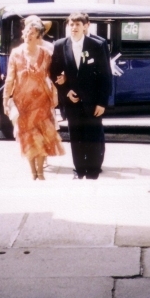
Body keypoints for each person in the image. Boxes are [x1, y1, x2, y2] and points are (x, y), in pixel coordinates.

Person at [50, 12, 111, 180]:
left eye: (78, 24)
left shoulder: (97, 45)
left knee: (93, 135)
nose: (74, 28)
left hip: (93, 101)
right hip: (71, 100)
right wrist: (66, 91)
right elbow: (53, 72)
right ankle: (79, 170)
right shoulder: (60, 45)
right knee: (75, 136)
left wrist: (102, 102)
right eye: (71, 24)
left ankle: (93, 170)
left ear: (85, 26)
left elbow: (106, 76)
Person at [3, 15, 64, 180]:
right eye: (27, 32)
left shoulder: (46, 53)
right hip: (23, 102)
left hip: (42, 100)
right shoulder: (15, 54)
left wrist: (60, 84)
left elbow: (53, 75)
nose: (29, 36)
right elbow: (10, 78)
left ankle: (41, 173)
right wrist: (5, 100)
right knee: (28, 137)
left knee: (43, 137)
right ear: (23, 34)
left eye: (33, 33)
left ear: (39, 36)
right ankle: (33, 172)